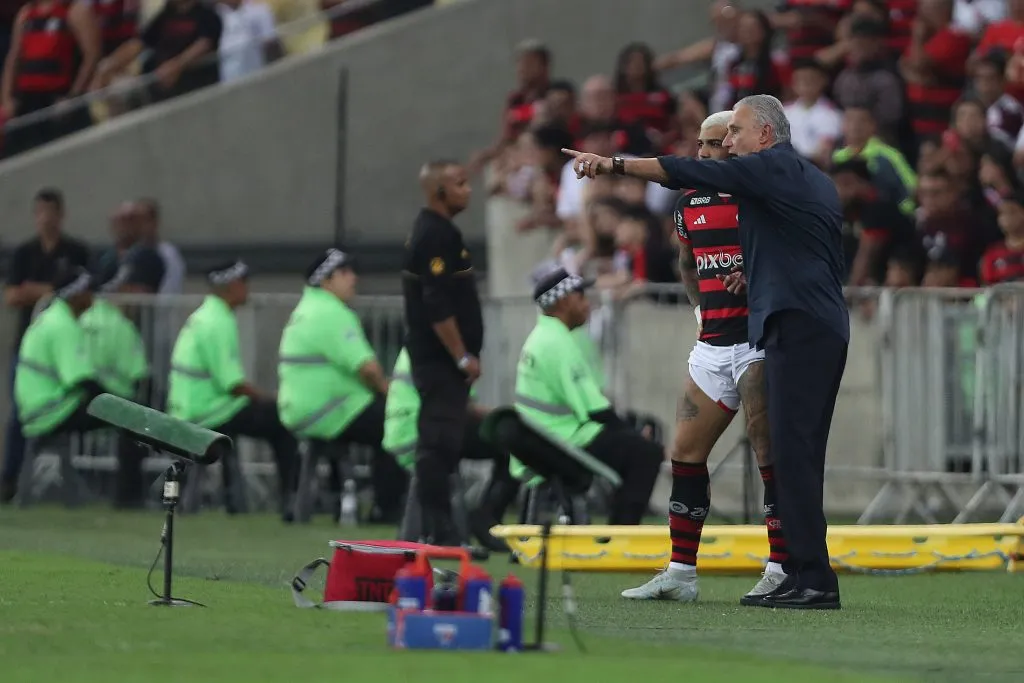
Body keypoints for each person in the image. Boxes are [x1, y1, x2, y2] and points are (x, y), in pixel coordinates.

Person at [564, 94, 849, 610]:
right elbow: (691, 264)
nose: (715, 148)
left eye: (728, 136)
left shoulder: (762, 182)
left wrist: (613, 164)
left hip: (774, 334)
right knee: (703, 454)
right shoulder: (724, 198)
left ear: (761, 136)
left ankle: (795, 572)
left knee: (786, 459)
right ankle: (691, 570)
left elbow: (679, 171)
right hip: (733, 335)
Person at [620, 112, 787, 605]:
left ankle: (779, 565)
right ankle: (680, 572)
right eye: (700, 144)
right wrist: (698, 310)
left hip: (757, 341)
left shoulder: (759, 198)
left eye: (713, 144)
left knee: (768, 456)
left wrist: (758, 283)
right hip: (712, 345)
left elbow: (789, 259)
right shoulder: (687, 203)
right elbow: (687, 264)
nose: (703, 153)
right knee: (685, 455)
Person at [514, 267, 662, 525]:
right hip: (562, 440)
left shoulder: (543, 336)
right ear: (563, 301)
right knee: (646, 454)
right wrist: (633, 432)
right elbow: (596, 411)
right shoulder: (557, 343)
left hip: (543, 438)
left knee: (632, 447)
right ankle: (618, 541)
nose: (588, 303)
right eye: (581, 296)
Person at [277, 248, 406, 523]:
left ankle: (334, 501)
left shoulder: (304, 309)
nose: (354, 278)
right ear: (326, 281)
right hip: (331, 412)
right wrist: (387, 390)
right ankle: (387, 507)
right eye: (345, 273)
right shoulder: (332, 312)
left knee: (379, 420)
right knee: (398, 421)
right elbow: (367, 367)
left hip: (302, 412)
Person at [166, 260, 297, 519]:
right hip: (210, 411)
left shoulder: (205, 316)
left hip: (190, 407)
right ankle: (291, 501)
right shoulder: (218, 321)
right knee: (283, 421)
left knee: (270, 415)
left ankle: (238, 499)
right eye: (244, 282)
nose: (248, 288)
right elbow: (233, 385)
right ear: (231, 286)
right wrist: (270, 399)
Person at [401, 160, 483, 545]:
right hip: (439, 363)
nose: (468, 190)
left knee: (446, 441)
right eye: (460, 183)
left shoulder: (442, 231)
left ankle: (439, 529)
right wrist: (461, 355)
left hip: (440, 362)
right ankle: (439, 531)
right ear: (439, 191)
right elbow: (436, 304)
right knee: (436, 444)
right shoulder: (436, 236)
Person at [1, 188, 91, 504]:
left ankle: (69, 486)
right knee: (20, 416)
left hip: (63, 348)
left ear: (61, 214)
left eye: (50, 212)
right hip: (29, 347)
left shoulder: (75, 250)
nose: (45, 218)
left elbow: (78, 290)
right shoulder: (25, 252)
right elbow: (12, 296)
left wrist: (37, 290)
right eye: (40, 212)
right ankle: (8, 480)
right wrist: (51, 290)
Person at [383, 347, 519, 551]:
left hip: (400, 431)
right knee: (514, 443)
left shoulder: (417, 342)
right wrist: (505, 417)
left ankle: (463, 525)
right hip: (424, 432)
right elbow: (464, 409)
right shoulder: (448, 349)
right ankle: (486, 519)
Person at [80, 263, 150, 508]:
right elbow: (139, 375)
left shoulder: (80, 318)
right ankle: (129, 498)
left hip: (75, 400)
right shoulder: (122, 327)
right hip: (112, 403)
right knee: (140, 422)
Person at [14, 267, 105, 453]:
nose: (92, 295)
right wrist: (117, 404)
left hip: (34, 408)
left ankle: (75, 477)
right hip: (50, 410)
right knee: (121, 422)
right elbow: (81, 379)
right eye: (88, 290)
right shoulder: (64, 326)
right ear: (75, 294)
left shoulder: (51, 317)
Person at [0, 0, 101, 156]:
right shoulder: (26, 14)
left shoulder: (74, 11)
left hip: (60, 102)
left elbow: (91, 56)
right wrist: (7, 100)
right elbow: (13, 58)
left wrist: (73, 96)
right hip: (27, 104)